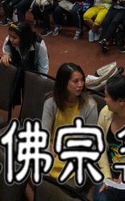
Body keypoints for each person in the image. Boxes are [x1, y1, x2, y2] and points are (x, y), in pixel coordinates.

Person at [41, 63, 99, 193]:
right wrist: (48, 151)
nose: (80, 85)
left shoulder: (90, 106)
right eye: (75, 81)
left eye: (82, 80)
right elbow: (45, 132)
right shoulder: (51, 102)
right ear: (63, 83)